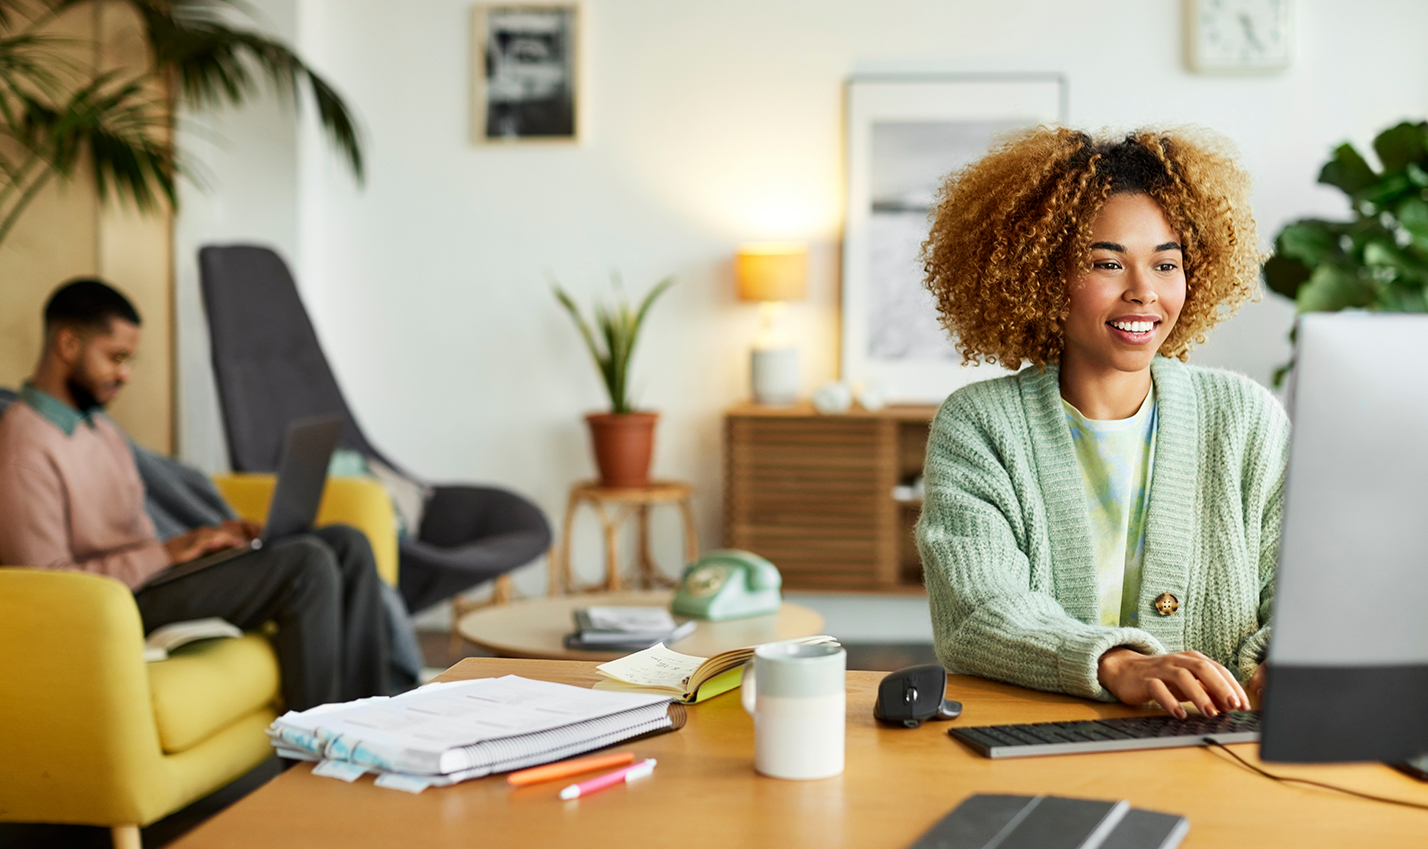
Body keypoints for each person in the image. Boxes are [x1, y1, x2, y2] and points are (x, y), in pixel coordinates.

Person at [917, 127, 1288, 720]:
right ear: (1039, 274)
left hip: (1223, 746)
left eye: (1166, 264)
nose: (1144, 292)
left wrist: (1284, 663)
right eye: (1107, 263)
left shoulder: (1243, 417)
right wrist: (1119, 664)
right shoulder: (981, 425)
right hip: (1036, 738)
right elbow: (978, 609)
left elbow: (1298, 590)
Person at [0, 278, 389, 710]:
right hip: (116, 607)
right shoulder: (24, 445)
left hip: (154, 580)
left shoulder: (102, 429)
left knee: (347, 544)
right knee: (307, 564)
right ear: (69, 344)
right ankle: (320, 755)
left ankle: (372, 722)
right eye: (115, 358)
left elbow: (136, 535)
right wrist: (167, 554)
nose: (124, 375)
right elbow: (50, 590)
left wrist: (208, 546)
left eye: (129, 360)